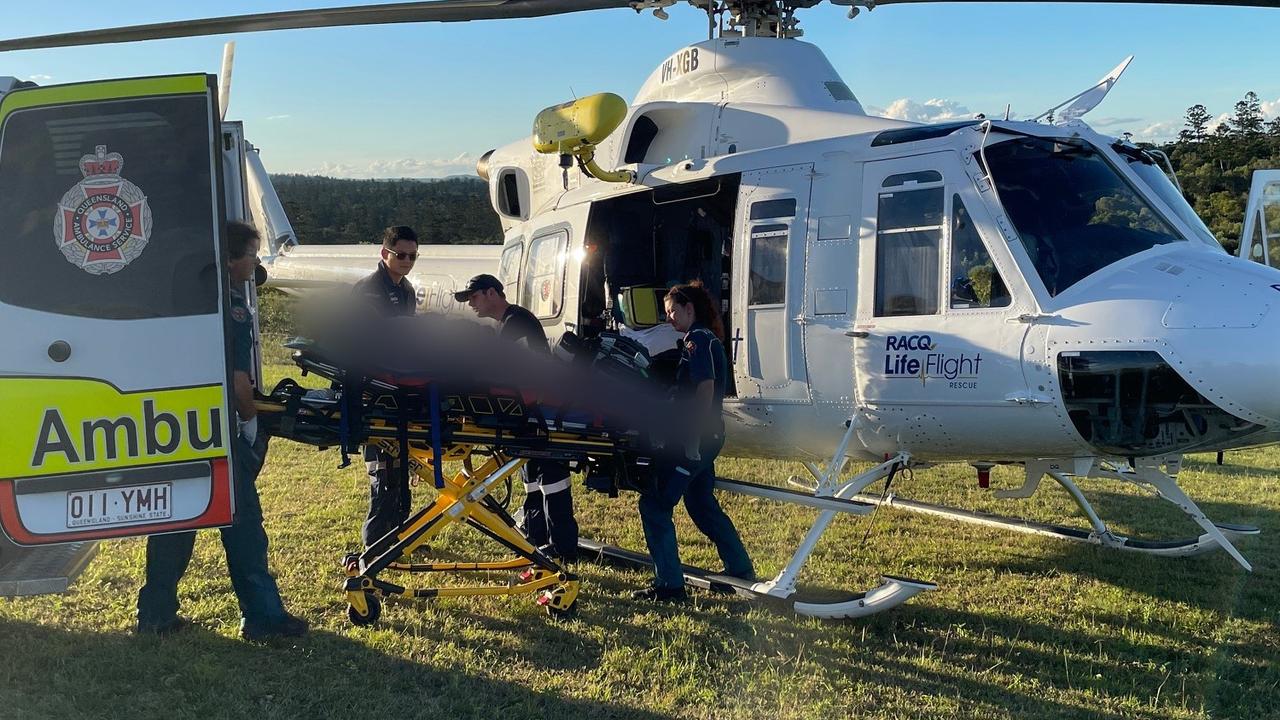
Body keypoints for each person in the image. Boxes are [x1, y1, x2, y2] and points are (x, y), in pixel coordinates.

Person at [136, 222, 308, 640]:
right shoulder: (230, 307)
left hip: (177, 428)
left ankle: (155, 614)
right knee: (244, 525)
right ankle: (263, 617)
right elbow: (237, 380)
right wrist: (249, 421)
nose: (255, 263)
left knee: (175, 522)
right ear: (232, 259)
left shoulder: (183, 302)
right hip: (218, 433)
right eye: (251, 254)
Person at [633, 281, 754, 603]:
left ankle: (670, 585)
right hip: (710, 436)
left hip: (697, 438)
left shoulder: (697, 341)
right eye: (667, 313)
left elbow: (704, 389)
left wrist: (692, 439)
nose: (669, 318)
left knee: (655, 505)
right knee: (701, 505)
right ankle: (740, 570)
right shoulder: (706, 339)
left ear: (690, 309)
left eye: (673, 311)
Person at [455, 273, 579, 562]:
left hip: (540, 413)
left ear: (491, 294)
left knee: (551, 480)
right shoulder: (507, 324)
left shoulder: (516, 322)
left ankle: (563, 548)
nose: (471, 304)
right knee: (534, 480)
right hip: (530, 412)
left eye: (473, 298)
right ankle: (539, 538)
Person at [353, 226, 419, 548]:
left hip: (398, 384)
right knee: (382, 464)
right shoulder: (369, 290)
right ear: (385, 253)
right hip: (374, 385)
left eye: (413, 255)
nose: (407, 261)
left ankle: (401, 533)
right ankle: (376, 540)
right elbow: (371, 340)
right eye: (401, 255)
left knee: (401, 461)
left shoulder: (406, 289)